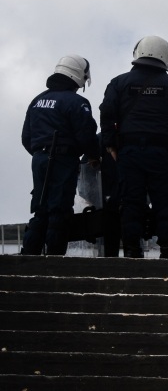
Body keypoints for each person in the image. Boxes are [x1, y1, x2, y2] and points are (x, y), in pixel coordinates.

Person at [99, 36, 168, 259]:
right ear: (166, 56)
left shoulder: (118, 82)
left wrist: (111, 144)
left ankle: (133, 253)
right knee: (165, 202)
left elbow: (106, 113)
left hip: (129, 152)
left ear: (137, 52)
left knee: (131, 202)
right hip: (161, 153)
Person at [21, 55, 100, 255]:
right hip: (63, 160)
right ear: (78, 76)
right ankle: (54, 261)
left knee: (40, 210)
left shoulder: (37, 100)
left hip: (38, 160)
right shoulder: (77, 102)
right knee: (59, 211)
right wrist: (93, 156)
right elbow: (86, 135)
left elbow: (26, 137)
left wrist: (41, 153)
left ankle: (28, 258)